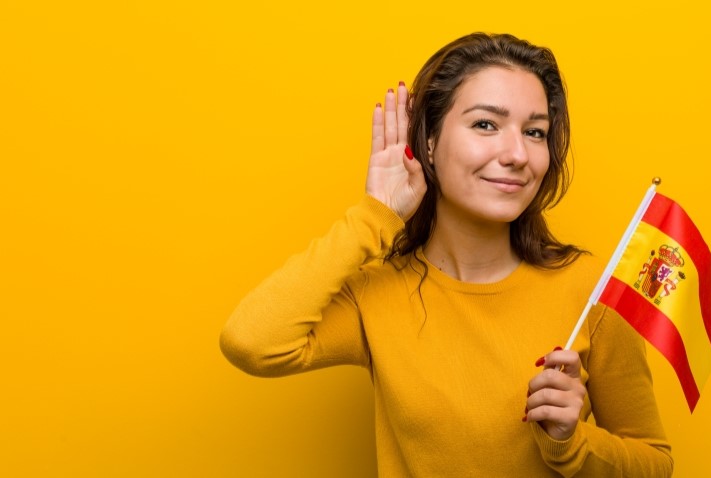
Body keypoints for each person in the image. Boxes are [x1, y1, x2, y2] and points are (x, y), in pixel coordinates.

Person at [220, 32, 673, 477]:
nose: (518, 153)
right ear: (430, 142)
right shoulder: (379, 294)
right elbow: (253, 342)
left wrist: (571, 442)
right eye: (485, 124)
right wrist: (374, 216)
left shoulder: (592, 289)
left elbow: (656, 463)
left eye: (535, 132)